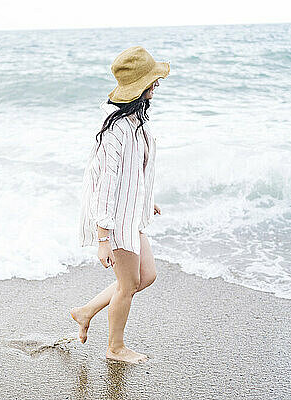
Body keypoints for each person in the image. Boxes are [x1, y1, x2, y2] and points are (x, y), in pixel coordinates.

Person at [72, 46, 170, 364]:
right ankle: (115, 348)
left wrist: (145, 200)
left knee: (146, 275)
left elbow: (132, 175)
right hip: (114, 221)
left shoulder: (134, 122)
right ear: (139, 87)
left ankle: (86, 311)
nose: (156, 85)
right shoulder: (118, 132)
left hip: (129, 216)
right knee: (128, 285)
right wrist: (103, 240)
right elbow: (105, 189)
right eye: (152, 81)